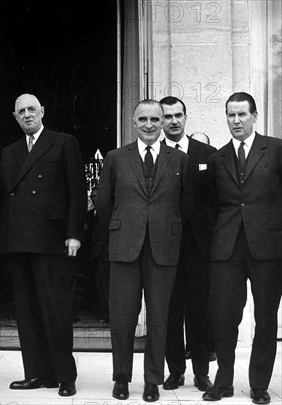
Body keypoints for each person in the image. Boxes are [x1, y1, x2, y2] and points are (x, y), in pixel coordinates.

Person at [0, 93, 86, 397]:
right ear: (15, 117)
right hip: (18, 240)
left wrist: (74, 234)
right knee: (26, 312)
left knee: (56, 309)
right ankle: (38, 374)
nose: (27, 114)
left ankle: (65, 376)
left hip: (52, 239)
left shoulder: (63, 142)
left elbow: (76, 191)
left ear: (42, 111)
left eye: (32, 109)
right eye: (21, 111)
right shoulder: (11, 151)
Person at [95, 99, 192, 403]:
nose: (149, 125)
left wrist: (165, 226)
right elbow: (104, 203)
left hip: (163, 247)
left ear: (163, 122)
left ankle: (153, 380)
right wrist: (127, 226)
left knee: (160, 317)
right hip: (125, 245)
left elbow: (185, 205)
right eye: (143, 120)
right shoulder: (115, 157)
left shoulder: (178, 159)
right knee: (122, 316)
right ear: (133, 122)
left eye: (155, 119)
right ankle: (121, 378)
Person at [203, 92, 282, 405]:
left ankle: (259, 385)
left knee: (265, 318)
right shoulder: (216, 158)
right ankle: (222, 382)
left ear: (255, 116)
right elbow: (211, 206)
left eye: (242, 115)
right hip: (227, 249)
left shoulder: (276, 150)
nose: (236, 121)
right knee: (224, 317)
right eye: (231, 115)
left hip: (268, 248)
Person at [159, 96, 216, 392]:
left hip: (198, 246)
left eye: (177, 115)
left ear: (186, 116)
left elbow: (217, 201)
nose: (173, 121)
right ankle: (175, 371)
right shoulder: (154, 154)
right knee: (170, 310)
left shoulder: (208, 153)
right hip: (165, 246)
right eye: (166, 116)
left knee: (199, 309)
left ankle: (202, 372)